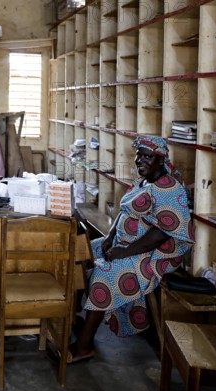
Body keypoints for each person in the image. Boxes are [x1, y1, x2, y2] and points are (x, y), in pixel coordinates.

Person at [67, 136, 194, 363]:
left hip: (153, 253)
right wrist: (111, 236)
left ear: (161, 159)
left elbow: (162, 232)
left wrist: (124, 252)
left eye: (147, 156)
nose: (140, 160)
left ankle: (84, 345)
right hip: (125, 243)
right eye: (139, 155)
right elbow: (124, 211)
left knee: (104, 275)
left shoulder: (169, 189)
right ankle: (75, 318)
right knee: (81, 252)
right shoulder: (143, 181)